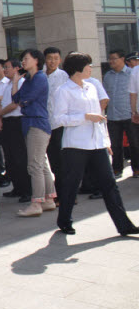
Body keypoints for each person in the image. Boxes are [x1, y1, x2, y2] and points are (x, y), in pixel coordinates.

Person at [53, 52, 139, 237]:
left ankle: (124, 226)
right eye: (88, 65)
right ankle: (64, 221)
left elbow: (99, 118)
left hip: (97, 144)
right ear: (78, 68)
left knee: (110, 185)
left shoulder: (91, 86)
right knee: (71, 185)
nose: (91, 68)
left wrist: (105, 141)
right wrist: (84, 117)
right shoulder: (63, 90)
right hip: (75, 146)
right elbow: (59, 118)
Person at [12, 49, 57, 217]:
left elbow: (25, 99)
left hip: (37, 124)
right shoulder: (29, 79)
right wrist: (15, 82)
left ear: (36, 60)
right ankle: (48, 200)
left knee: (34, 165)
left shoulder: (39, 78)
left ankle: (36, 203)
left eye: (26, 58)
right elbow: (16, 99)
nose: (23, 61)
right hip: (32, 123)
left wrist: (21, 97)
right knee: (41, 164)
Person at [0, 58, 32, 203]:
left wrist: (0, 114)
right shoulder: (8, 85)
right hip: (7, 121)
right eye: (4, 67)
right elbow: (3, 103)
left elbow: (15, 104)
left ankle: (27, 190)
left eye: (7, 67)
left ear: (17, 68)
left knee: (19, 157)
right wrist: (0, 119)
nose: (5, 70)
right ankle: (17, 187)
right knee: (9, 157)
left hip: (17, 121)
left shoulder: (21, 83)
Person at [104, 50, 139, 178]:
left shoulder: (131, 73)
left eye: (114, 58)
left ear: (122, 59)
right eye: (110, 58)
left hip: (129, 115)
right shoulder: (107, 76)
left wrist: (135, 111)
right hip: (113, 116)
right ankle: (117, 169)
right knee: (115, 145)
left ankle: (137, 169)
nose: (111, 61)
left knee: (135, 144)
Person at [44, 46, 68, 200]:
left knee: (61, 161)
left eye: (56, 59)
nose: (52, 62)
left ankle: (65, 195)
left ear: (60, 60)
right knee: (51, 160)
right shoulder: (40, 76)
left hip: (59, 124)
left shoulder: (63, 76)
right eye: (49, 58)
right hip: (44, 124)